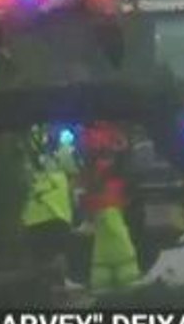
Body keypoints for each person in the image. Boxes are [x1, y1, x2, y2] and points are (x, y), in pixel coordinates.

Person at [79, 121, 142, 293]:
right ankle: (122, 276)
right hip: (107, 193)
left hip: (104, 193)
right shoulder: (105, 132)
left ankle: (105, 278)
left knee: (107, 234)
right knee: (113, 232)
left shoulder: (95, 132)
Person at [20, 124, 77, 286]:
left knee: (35, 260)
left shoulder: (22, 156)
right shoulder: (60, 150)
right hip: (57, 215)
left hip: (33, 217)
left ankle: (42, 290)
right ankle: (60, 286)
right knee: (58, 255)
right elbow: (72, 174)